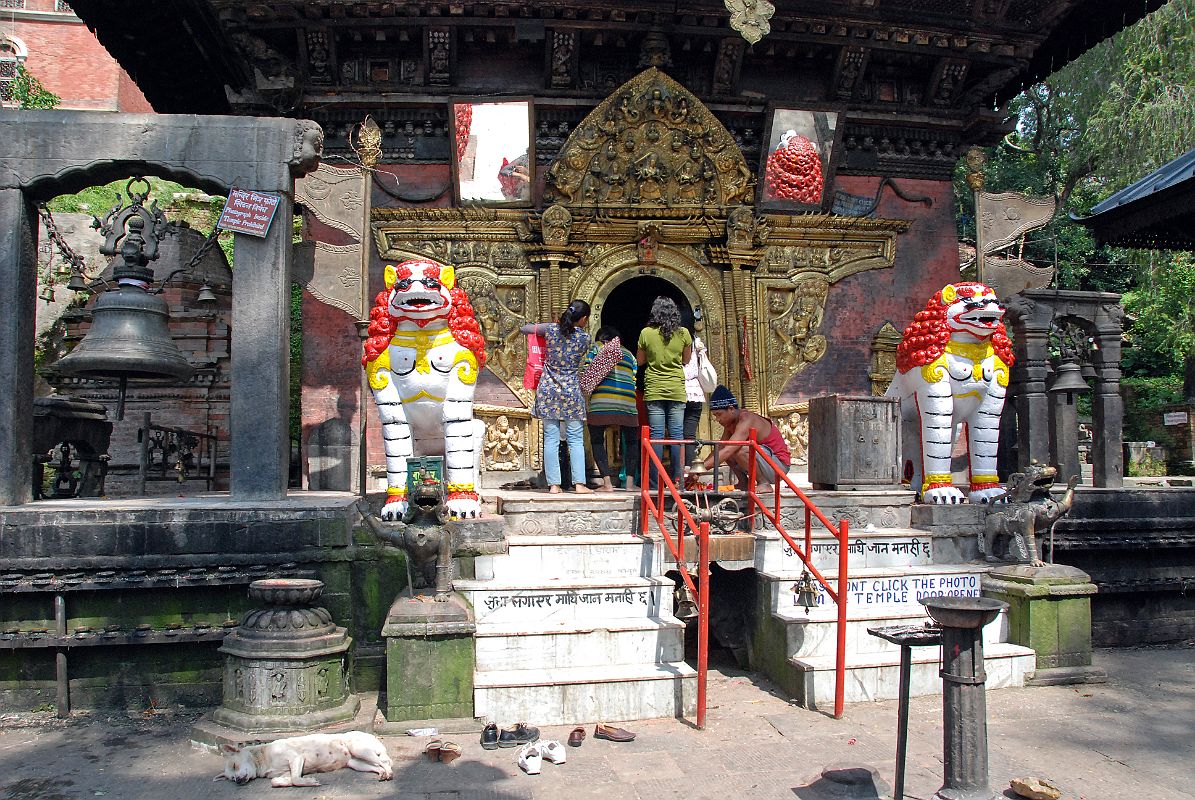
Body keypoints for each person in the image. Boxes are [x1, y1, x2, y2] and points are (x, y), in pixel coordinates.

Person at [521, 300, 593, 494]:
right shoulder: (585, 338)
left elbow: (525, 329)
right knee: (575, 439)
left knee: (551, 438)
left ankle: (554, 485)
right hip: (570, 390)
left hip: (549, 389)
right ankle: (579, 484)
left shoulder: (551, 331)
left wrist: (548, 325)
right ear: (584, 319)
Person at [637, 297, 692, 489]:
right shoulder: (684, 333)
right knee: (677, 435)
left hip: (654, 389)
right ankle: (678, 481)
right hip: (676, 389)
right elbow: (686, 360)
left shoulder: (646, 333)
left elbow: (640, 361)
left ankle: (654, 483)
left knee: (657, 436)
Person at [696, 385, 791, 491]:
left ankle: (763, 483)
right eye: (715, 416)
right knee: (725, 451)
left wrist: (700, 470)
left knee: (737, 449)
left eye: (719, 414)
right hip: (766, 463)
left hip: (778, 467)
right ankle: (743, 483)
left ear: (731, 409)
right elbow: (721, 449)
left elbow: (729, 449)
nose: (717, 419)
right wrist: (697, 468)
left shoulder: (746, 419)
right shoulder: (730, 424)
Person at [582, 327, 640, 491]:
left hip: (601, 403)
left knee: (597, 440)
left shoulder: (597, 348)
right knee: (631, 442)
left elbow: (587, 373)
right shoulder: (629, 354)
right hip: (627, 404)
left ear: (601, 338)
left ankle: (607, 484)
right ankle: (629, 484)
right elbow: (633, 379)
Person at [681, 331, 710, 468]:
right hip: (696, 391)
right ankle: (689, 470)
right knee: (689, 435)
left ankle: (677, 472)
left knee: (676, 435)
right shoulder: (697, 341)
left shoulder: (673, 339)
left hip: (678, 389)